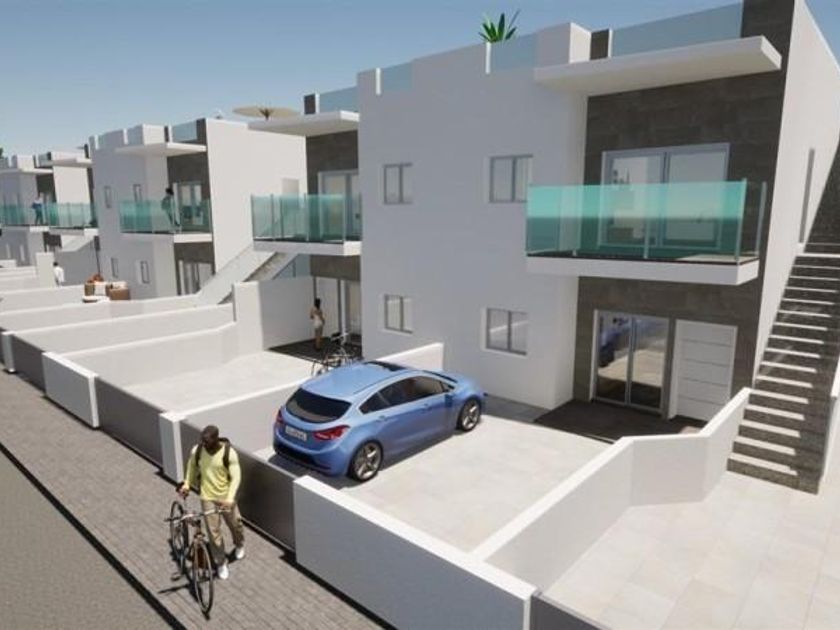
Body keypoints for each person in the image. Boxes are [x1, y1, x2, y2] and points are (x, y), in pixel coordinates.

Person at [178, 425, 244, 580]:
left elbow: (236, 477)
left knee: (236, 524)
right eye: (202, 440)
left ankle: (239, 544)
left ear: (215, 439)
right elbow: (192, 467)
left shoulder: (229, 453)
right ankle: (221, 562)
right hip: (207, 497)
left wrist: (230, 498)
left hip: (225, 497)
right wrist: (187, 484)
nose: (203, 444)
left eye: (206, 441)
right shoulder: (197, 451)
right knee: (213, 533)